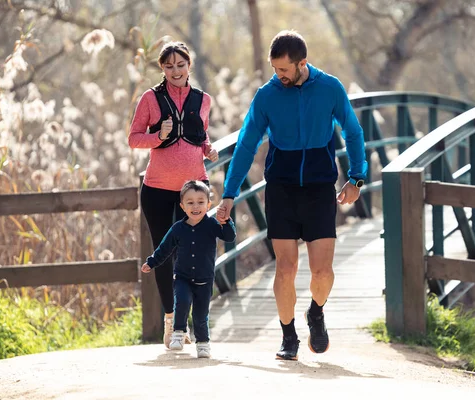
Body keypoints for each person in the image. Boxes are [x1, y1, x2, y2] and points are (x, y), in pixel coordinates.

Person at [216, 30, 368, 361]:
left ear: (302, 63)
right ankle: (288, 337)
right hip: (282, 188)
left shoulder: (330, 88)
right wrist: (229, 193)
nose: (278, 76)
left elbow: (353, 132)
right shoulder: (267, 95)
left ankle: (316, 311)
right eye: (275, 70)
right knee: (285, 267)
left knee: (322, 272)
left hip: (318, 188)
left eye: (283, 70)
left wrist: (356, 177)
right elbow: (245, 145)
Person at [129, 41, 219, 348]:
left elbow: (200, 134)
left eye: (180, 65)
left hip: (193, 191)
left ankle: (187, 323)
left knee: (192, 257)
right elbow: (134, 139)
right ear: (162, 68)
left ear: (189, 65)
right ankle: (171, 322)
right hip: (157, 190)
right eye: (169, 66)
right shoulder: (151, 99)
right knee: (165, 255)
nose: (175, 71)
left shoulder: (203, 99)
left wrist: (209, 149)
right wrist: (158, 136)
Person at [141, 180, 236, 358]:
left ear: (208, 205)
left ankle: (203, 343)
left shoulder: (212, 226)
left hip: (204, 280)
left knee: (201, 315)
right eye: (190, 202)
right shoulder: (178, 229)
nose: (195, 207)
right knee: (182, 302)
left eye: (201, 202)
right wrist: (152, 262)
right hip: (182, 278)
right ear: (182, 206)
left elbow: (229, 237)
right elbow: (164, 248)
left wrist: (226, 221)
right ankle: (178, 333)